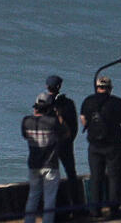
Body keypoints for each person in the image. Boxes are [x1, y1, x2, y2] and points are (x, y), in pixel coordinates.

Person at [80, 75, 121, 219]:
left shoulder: (88, 101)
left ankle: (95, 211)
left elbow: (83, 121)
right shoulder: (117, 102)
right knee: (114, 178)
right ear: (110, 88)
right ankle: (113, 210)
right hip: (113, 146)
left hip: (94, 146)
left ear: (97, 87)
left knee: (96, 178)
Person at [24, 92, 70, 223]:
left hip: (33, 164)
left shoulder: (26, 121)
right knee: (50, 198)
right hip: (50, 165)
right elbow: (66, 133)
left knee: (33, 196)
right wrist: (58, 114)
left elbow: (25, 135)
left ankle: (29, 221)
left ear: (36, 107)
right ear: (50, 108)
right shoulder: (53, 122)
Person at [44, 75, 81, 213]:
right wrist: (70, 140)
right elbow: (75, 126)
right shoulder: (69, 103)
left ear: (47, 87)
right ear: (60, 86)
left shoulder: (43, 103)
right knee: (71, 174)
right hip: (65, 143)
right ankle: (77, 206)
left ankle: (54, 208)